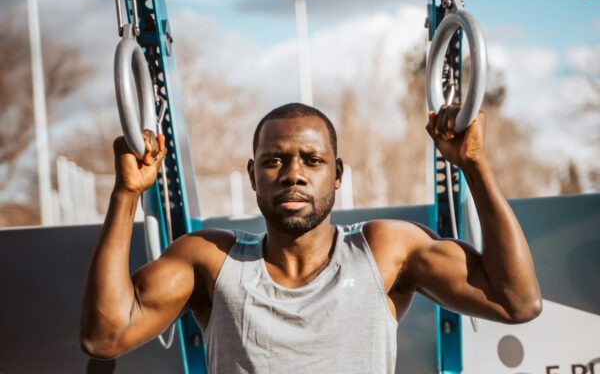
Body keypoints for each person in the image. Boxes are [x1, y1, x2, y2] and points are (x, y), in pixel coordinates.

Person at [80, 103, 541, 373]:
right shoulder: (212, 259)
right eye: (274, 161)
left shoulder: (383, 251)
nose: (293, 175)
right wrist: (126, 193)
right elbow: (105, 337)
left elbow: (517, 301)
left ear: (337, 174)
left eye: (312, 161)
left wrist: (475, 165)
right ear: (253, 175)